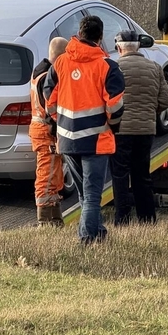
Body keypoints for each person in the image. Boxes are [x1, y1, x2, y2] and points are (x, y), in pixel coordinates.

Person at [43, 16, 125, 244]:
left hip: (68, 139)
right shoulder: (107, 67)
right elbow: (115, 105)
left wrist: (59, 120)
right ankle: (87, 239)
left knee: (84, 195)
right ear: (100, 38)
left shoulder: (60, 63)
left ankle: (97, 233)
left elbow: (48, 98)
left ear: (79, 34)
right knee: (91, 196)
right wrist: (113, 124)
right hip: (96, 140)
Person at [110, 30, 168, 225]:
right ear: (139, 47)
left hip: (121, 131)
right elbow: (166, 99)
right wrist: (149, 111)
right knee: (142, 176)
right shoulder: (154, 67)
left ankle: (122, 220)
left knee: (120, 177)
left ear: (119, 47)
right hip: (145, 131)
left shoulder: (114, 68)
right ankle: (147, 220)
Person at [29, 37, 69, 226]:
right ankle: (45, 221)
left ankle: (54, 219)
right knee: (47, 176)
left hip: (41, 129)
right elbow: (51, 110)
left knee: (53, 174)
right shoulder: (48, 77)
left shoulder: (40, 72)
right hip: (47, 131)